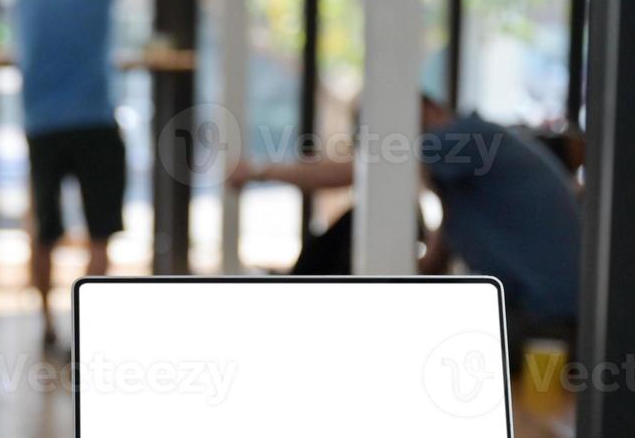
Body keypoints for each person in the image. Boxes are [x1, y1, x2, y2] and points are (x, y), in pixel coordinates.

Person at [234, 94, 582, 348]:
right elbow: (430, 263)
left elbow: (364, 170)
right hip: (540, 318)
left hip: (550, 324)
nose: (395, 145)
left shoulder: (468, 138)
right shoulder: (462, 190)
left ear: (431, 109)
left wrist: (259, 171)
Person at [15, 0, 160, 348]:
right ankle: (86, 329)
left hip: (40, 121)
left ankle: (45, 324)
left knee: (45, 228)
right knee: (100, 229)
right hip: (94, 119)